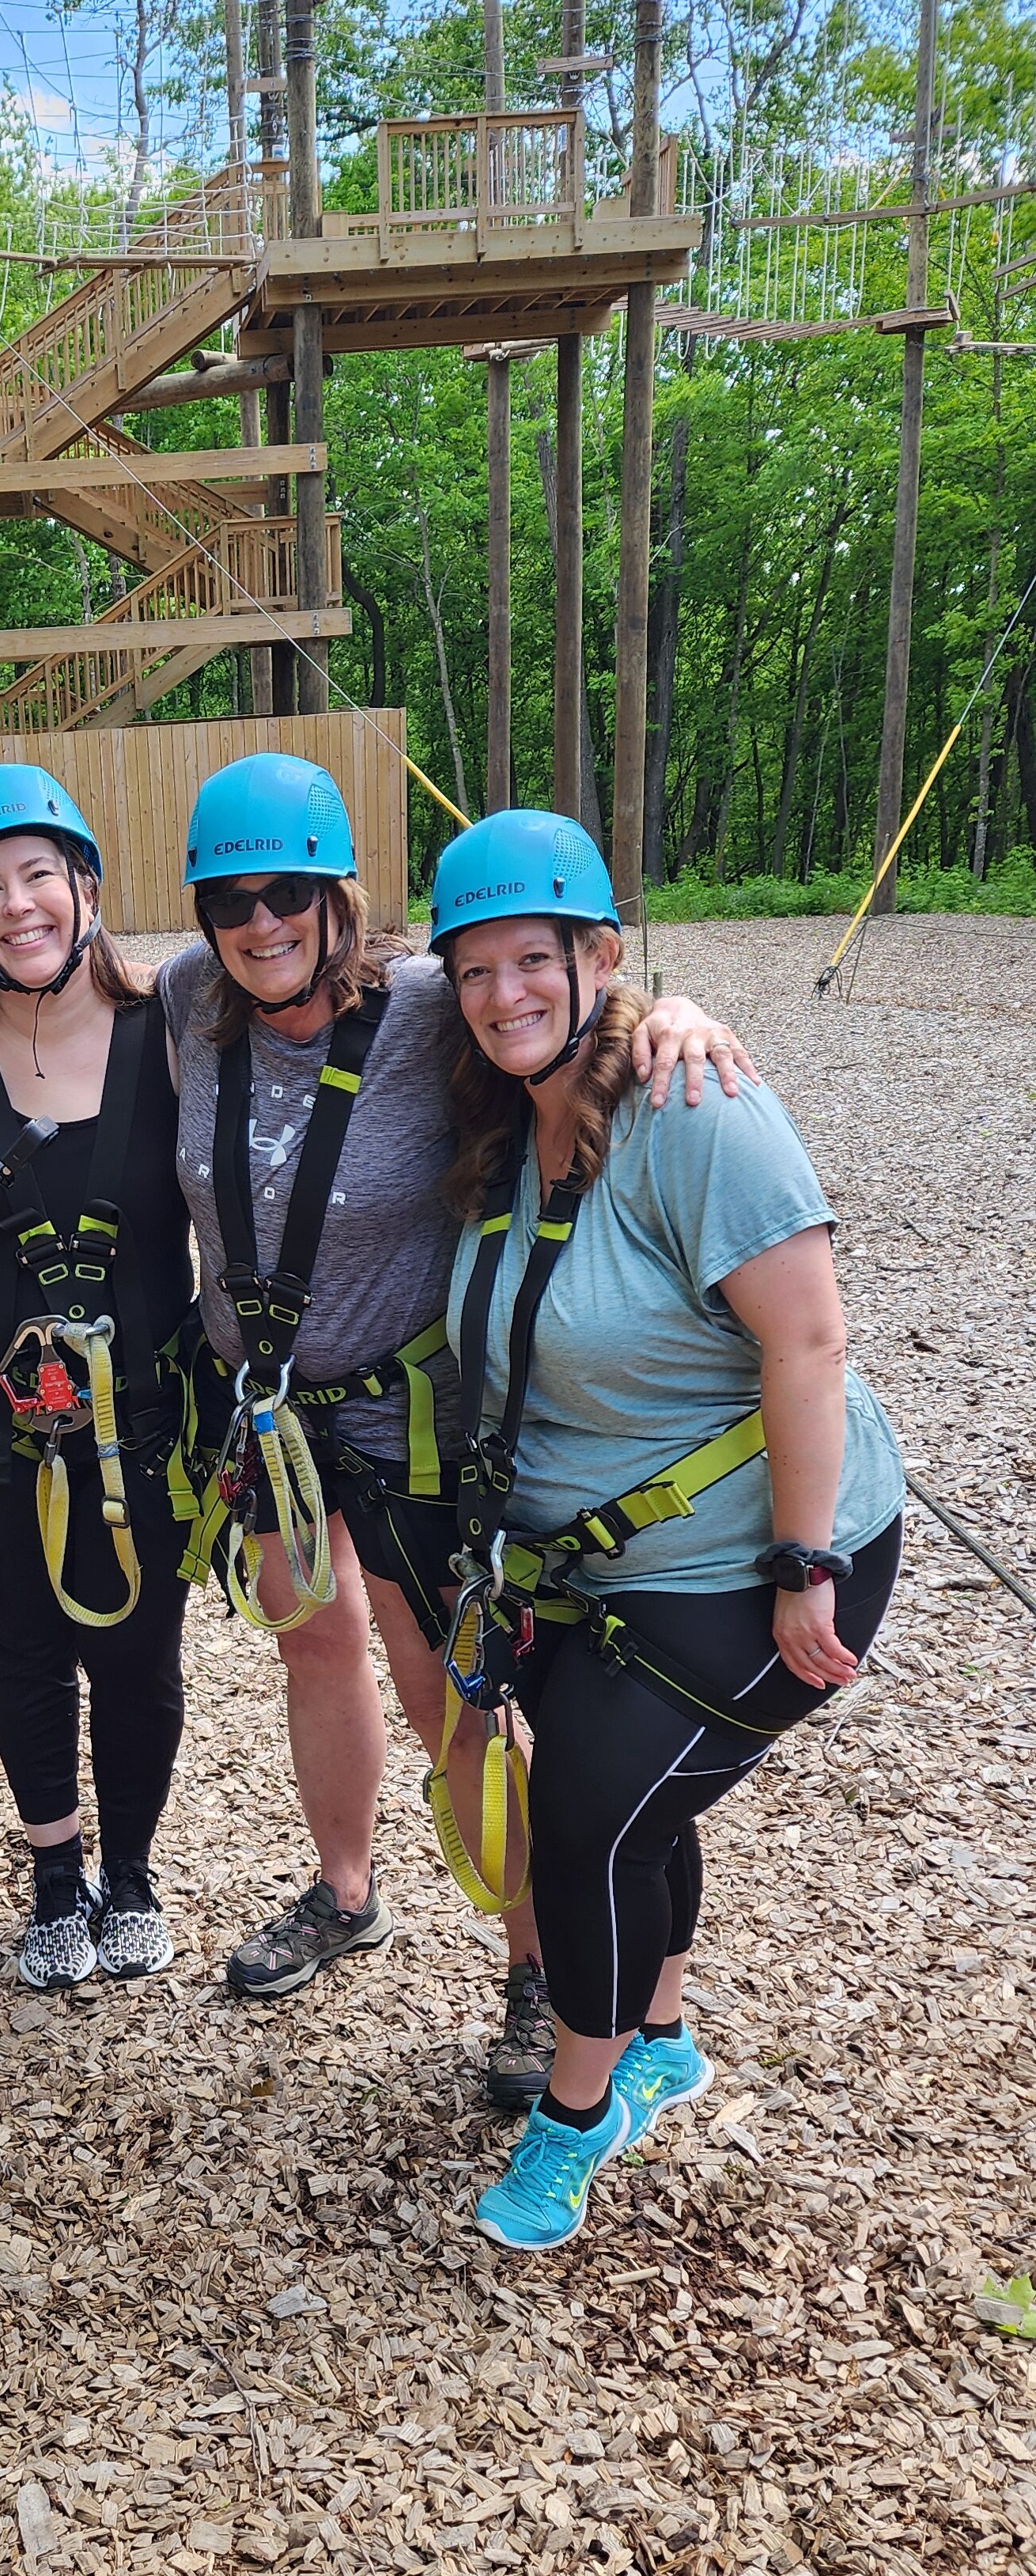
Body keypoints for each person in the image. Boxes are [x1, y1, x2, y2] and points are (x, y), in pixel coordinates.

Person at [157, 751, 753, 2079]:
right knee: (314, 1652)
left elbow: (548, 1002)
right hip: (271, 1423)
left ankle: (540, 1971)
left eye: (286, 893)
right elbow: (75, 995)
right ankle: (346, 1890)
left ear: (337, 896)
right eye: (229, 900)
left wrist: (676, 1012)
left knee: (457, 1700)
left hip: (408, 1417)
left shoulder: (427, 1005)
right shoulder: (193, 999)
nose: (258, 923)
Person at [430, 808, 903, 2252]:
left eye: (536, 962)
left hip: (756, 1554)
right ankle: (663, 2035)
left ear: (598, 958)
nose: (504, 996)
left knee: (582, 1822)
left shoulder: (695, 1110)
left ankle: (574, 2119)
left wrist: (804, 1562)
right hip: (595, 1565)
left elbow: (809, 1340)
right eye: (475, 971)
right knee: (636, 1806)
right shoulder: (510, 1130)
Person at [0, 767, 198, 1992]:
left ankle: (129, 1873)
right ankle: (54, 1877)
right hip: (2, 1420)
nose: (17, 905)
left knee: (138, 1651)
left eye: (39, 875)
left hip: (145, 1411)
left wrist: (651, 1016)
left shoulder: (175, 1026)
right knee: (21, 1644)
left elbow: (366, 997)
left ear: (86, 883)